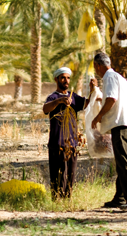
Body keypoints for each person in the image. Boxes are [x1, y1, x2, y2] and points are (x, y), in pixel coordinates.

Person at [91, 52, 127, 211]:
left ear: (98, 65)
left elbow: (111, 99)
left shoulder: (109, 78)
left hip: (121, 126)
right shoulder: (119, 78)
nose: (96, 71)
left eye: (95, 68)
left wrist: (98, 116)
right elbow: (110, 98)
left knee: (124, 163)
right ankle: (120, 198)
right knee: (122, 162)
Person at [43, 66, 97, 199]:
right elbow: (45, 109)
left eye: (68, 78)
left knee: (70, 174)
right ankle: (56, 200)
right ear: (56, 79)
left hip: (72, 143)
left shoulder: (73, 97)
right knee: (57, 174)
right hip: (57, 143)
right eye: (63, 78)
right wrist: (59, 101)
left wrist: (92, 90)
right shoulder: (53, 97)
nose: (66, 81)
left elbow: (87, 103)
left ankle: (68, 199)